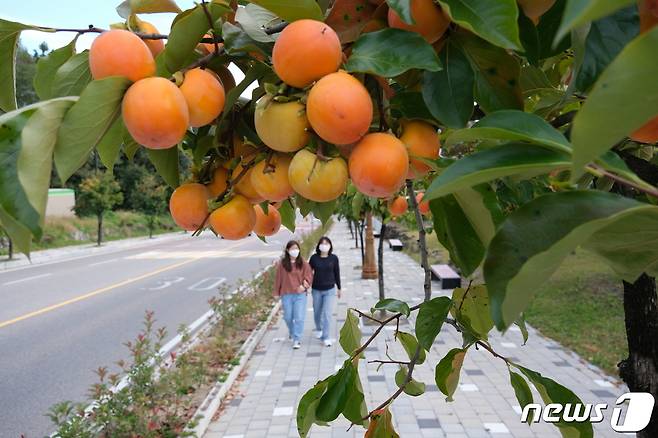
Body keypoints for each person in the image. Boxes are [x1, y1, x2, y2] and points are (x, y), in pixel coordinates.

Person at [274, 240, 313, 349]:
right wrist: (276, 292)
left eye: (296, 248)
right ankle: (292, 332)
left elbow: (309, 276)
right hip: (286, 294)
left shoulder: (303, 263)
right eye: (292, 249)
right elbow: (278, 279)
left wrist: (304, 286)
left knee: (299, 317)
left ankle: (297, 339)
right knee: (287, 317)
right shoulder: (283, 264)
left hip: (300, 295)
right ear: (287, 250)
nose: (294, 251)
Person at [309, 236, 341, 347]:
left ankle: (326, 337)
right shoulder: (314, 258)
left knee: (327, 314)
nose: (324, 245)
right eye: (322, 243)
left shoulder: (334, 258)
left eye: (327, 243)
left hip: (330, 290)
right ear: (318, 246)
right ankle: (319, 328)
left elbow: (337, 273)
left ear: (330, 245)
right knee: (317, 313)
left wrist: (339, 288)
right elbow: (308, 273)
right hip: (316, 290)